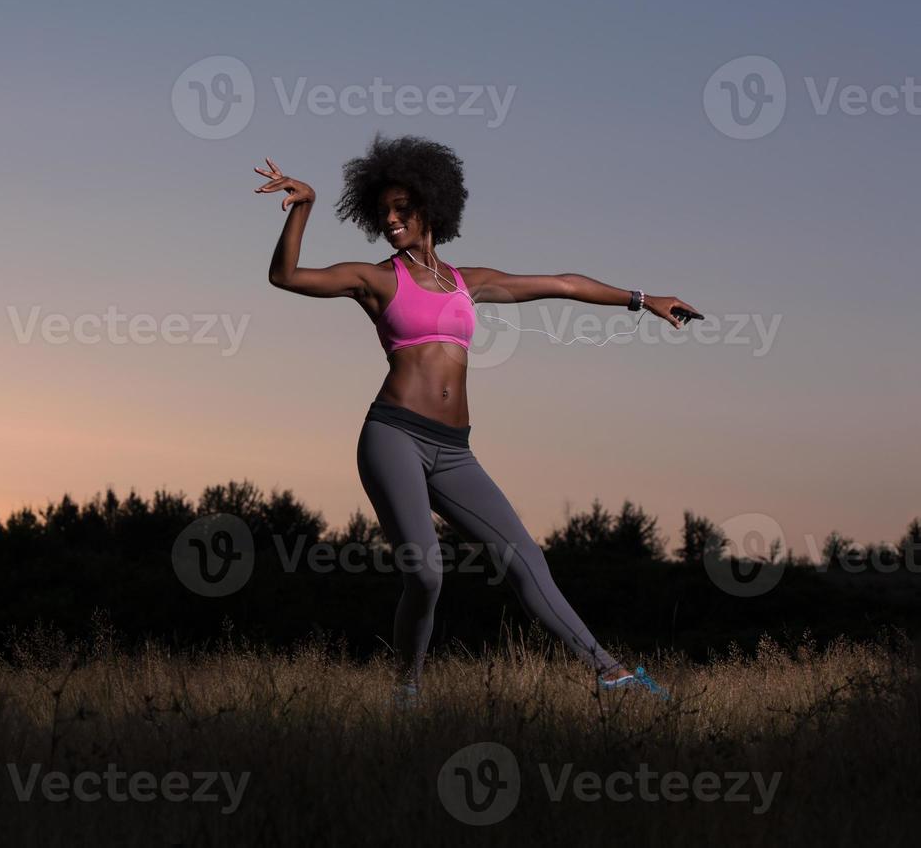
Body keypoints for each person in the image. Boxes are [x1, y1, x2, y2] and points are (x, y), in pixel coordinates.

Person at [258, 133, 691, 706]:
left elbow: (562, 284)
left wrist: (642, 299)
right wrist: (305, 206)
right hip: (393, 435)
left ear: (430, 208)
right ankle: (406, 688)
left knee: (527, 562)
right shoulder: (376, 278)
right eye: (383, 212)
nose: (391, 221)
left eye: (402, 210)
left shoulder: (468, 282)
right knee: (427, 573)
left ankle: (611, 674)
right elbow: (285, 277)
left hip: (455, 450)